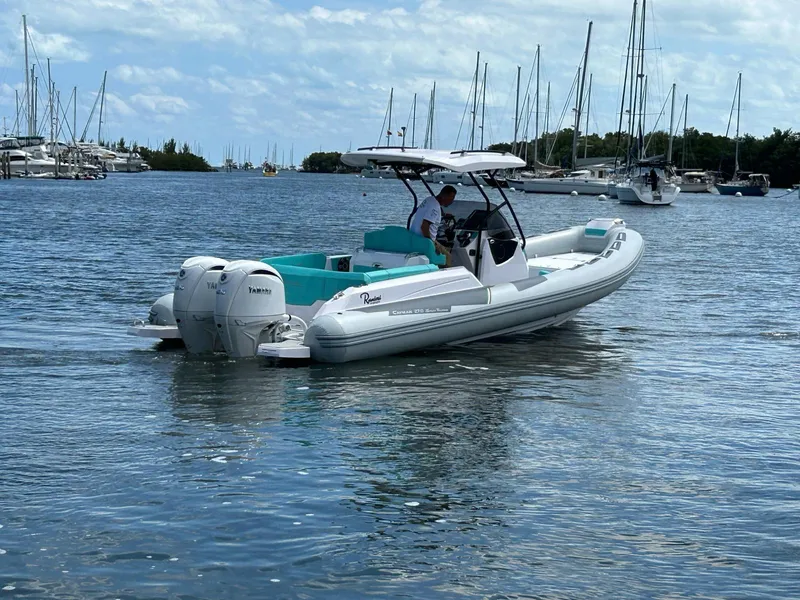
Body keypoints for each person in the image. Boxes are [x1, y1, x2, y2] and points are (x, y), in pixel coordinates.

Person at [410, 185, 457, 266]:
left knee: (444, 249)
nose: (452, 201)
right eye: (451, 198)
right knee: (448, 257)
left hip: (414, 237)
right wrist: (432, 244)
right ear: (444, 196)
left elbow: (427, 215)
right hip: (425, 240)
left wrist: (443, 215)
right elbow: (424, 226)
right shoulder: (435, 207)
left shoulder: (429, 199)